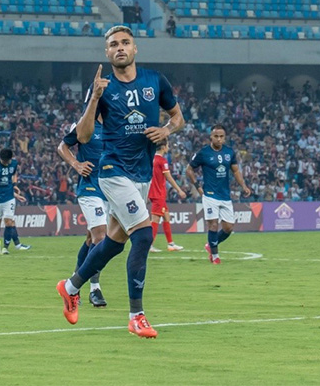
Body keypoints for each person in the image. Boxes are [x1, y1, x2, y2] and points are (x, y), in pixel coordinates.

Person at [56, 25, 185, 339]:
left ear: (135, 48)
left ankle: (70, 287)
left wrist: (166, 130)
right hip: (113, 171)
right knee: (143, 235)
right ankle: (136, 316)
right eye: (113, 44)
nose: (120, 48)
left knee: (114, 242)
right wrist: (95, 98)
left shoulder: (155, 81)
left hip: (141, 173)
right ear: (107, 52)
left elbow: (178, 117)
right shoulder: (103, 87)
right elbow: (83, 136)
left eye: (125, 43)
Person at [57, 120, 108, 307]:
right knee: (100, 237)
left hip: (111, 189)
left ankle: (73, 284)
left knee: (91, 239)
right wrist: (76, 164)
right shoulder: (85, 124)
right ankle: (95, 289)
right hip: (90, 188)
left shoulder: (116, 122)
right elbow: (62, 146)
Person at [187, 125, 251, 264]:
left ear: (225, 137)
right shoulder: (203, 152)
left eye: (221, 136)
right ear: (211, 137)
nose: (219, 139)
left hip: (225, 195)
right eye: (216, 136)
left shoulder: (229, 152)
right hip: (210, 195)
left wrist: (244, 186)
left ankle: (210, 245)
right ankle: (215, 256)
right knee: (213, 225)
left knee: (228, 227)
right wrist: (198, 187)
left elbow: (235, 171)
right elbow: (189, 169)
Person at [149, 142, 187, 252]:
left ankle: (171, 244)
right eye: (167, 146)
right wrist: (179, 190)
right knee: (155, 219)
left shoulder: (151, 159)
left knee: (166, 217)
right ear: (163, 147)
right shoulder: (162, 161)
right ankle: (149, 245)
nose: (168, 148)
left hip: (154, 192)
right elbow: (169, 178)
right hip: (159, 194)